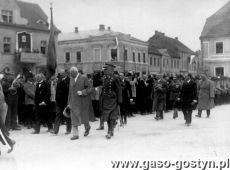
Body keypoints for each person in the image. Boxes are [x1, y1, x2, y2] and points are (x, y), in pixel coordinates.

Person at [68, 67, 95, 140]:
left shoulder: (84, 78)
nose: (70, 75)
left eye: (71, 73)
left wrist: (82, 92)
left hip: (83, 102)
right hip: (74, 102)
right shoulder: (71, 79)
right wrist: (69, 102)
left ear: (75, 72)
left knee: (84, 117)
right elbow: (70, 92)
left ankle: (87, 127)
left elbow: (90, 88)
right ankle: (75, 135)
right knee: (74, 118)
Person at [99, 63, 122, 139]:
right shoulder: (104, 78)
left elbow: (119, 90)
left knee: (112, 116)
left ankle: (110, 131)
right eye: (104, 69)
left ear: (111, 70)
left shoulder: (115, 78)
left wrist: (119, 101)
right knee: (107, 116)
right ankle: (110, 130)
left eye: (106, 69)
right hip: (105, 100)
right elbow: (103, 89)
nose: (104, 70)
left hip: (113, 99)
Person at [52, 69, 71, 135]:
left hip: (66, 102)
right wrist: (56, 99)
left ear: (66, 73)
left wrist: (69, 102)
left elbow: (69, 91)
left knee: (67, 116)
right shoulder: (59, 79)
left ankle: (68, 130)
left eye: (62, 73)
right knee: (58, 115)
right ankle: (55, 131)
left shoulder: (69, 80)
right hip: (58, 102)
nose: (60, 75)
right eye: (60, 73)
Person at [0, 78, 16, 155]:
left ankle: (10, 142)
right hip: (2, 106)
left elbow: (1, 97)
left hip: (1, 106)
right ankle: (10, 142)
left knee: (1, 128)